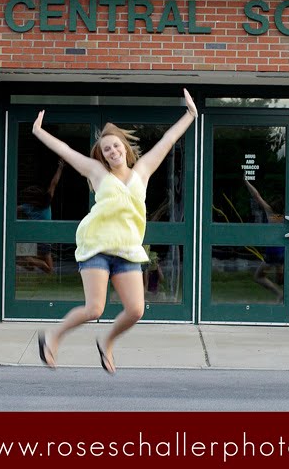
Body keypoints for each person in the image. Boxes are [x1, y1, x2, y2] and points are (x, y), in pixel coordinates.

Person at [32, 89, 198, 373]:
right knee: (94, 309)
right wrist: (38, 131)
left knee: (136, 310)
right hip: (96, 246)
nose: (112, 151)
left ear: (125, 148)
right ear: (103, 155)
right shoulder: (98, 173)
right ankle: (52, 337)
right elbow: (67, 152)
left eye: (116, 146)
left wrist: (190, 115)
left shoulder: (142, 171)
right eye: (106, 148)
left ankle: (106, 341)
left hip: (127, 250)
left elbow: (168, 140)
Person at [16, 158, 65, 274]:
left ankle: (28, 261)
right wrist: (60, 167)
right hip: (44, 236)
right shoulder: (46, 203)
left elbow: (12, 210)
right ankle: (31, 261)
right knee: (49, 269)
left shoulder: (27, 207)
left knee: (39, 266)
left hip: (34, 236)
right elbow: (54, 183)